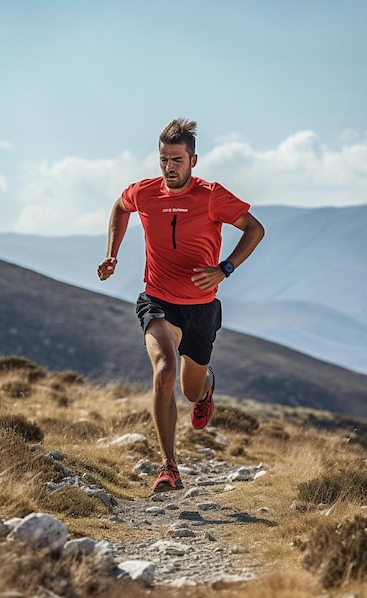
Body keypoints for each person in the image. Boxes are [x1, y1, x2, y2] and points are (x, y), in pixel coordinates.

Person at [97, 118, 265, 493]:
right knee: (165, 368)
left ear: (193, 159)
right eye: (163, 159)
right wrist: (112, 254)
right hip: (157, 300)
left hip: (201, 307)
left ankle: (205, 386)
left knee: (189, 389)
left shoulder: (211, 196)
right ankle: (169, 466)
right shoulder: (144, 192)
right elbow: (120, 208)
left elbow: (255, 229)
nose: (169, 167)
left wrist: (225, 268)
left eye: (176, 159)